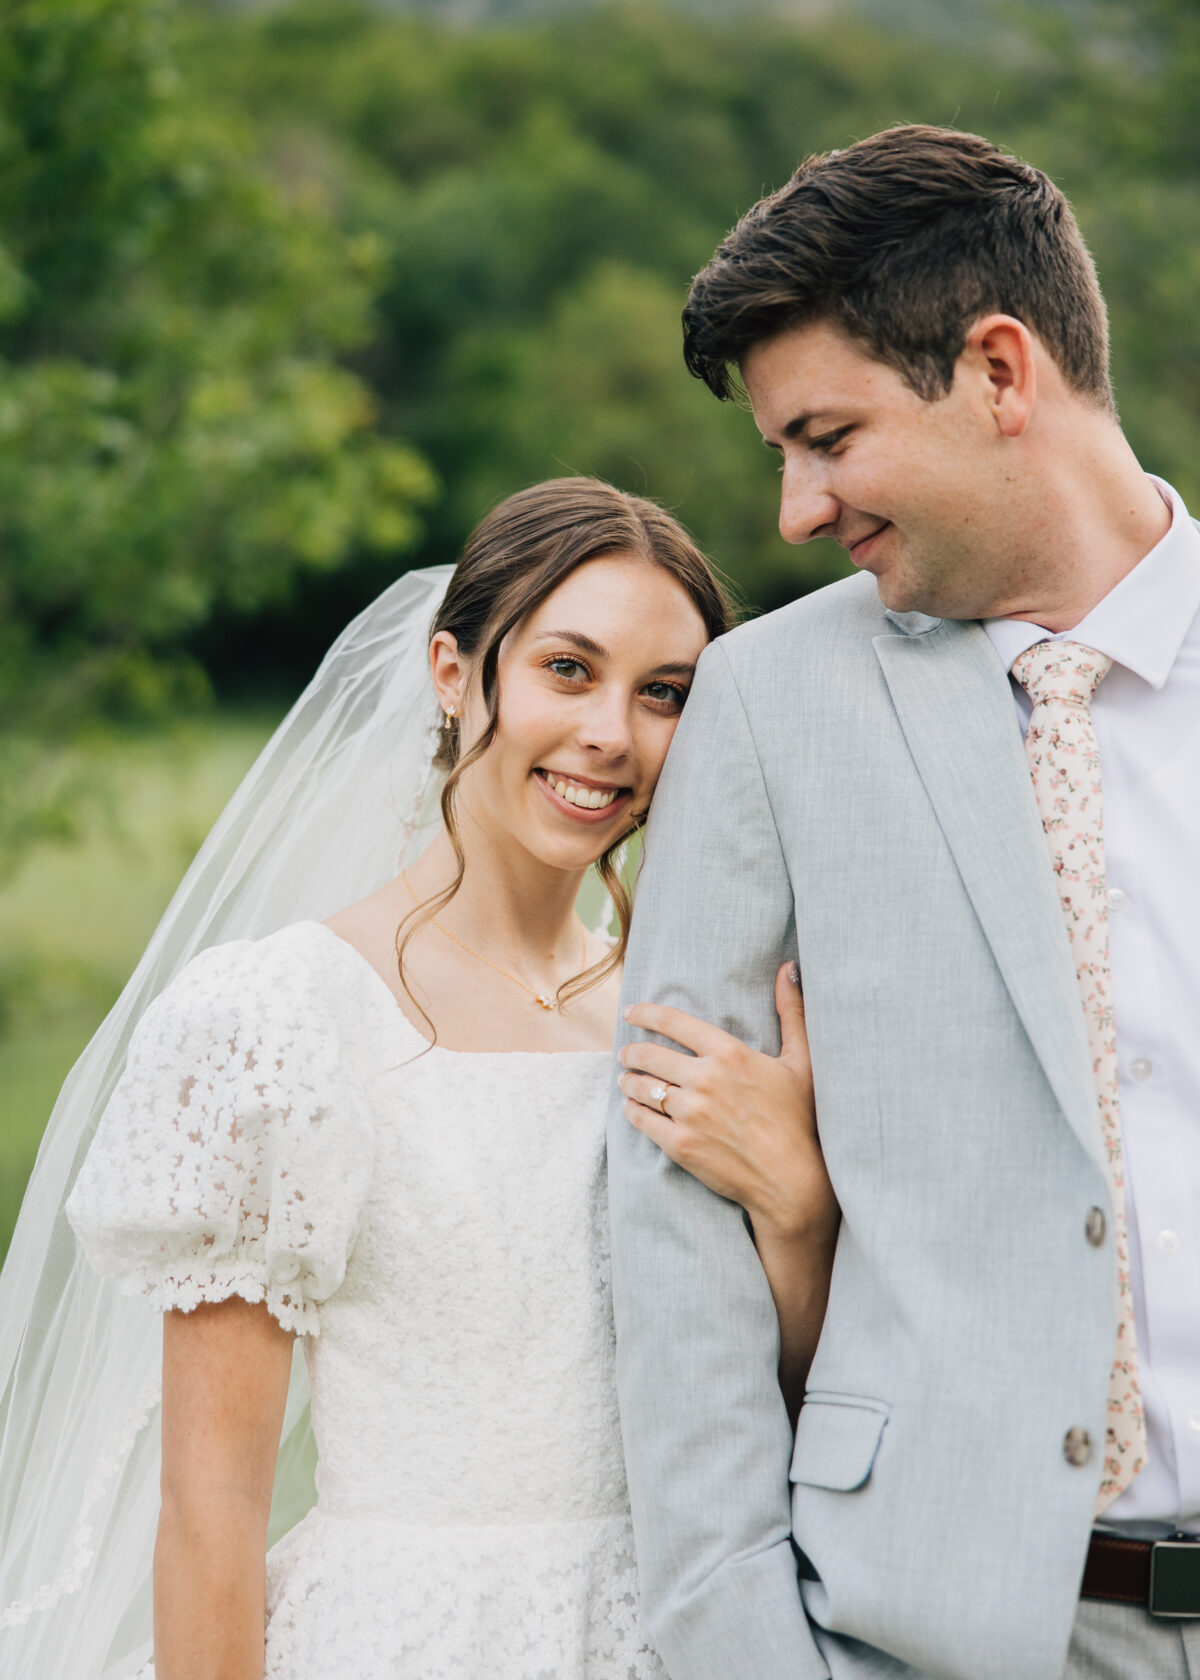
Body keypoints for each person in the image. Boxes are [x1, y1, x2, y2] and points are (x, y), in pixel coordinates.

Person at [0, 477, 834, 1680]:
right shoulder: (282, 1020)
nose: (612, 732)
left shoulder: (693, 1020)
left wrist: (799, 1209)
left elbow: (779, 1409)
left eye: (664, 695)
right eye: (566, 669)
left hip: (678, 1631)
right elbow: (211, 1508)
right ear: (454, 673)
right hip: (412, 1637)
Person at [609, 125, 1200, 1680]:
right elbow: (671, 1225)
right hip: (932, 1636)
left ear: (1001, 371)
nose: (798, 511)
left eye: (827, 436)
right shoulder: (766, 708)